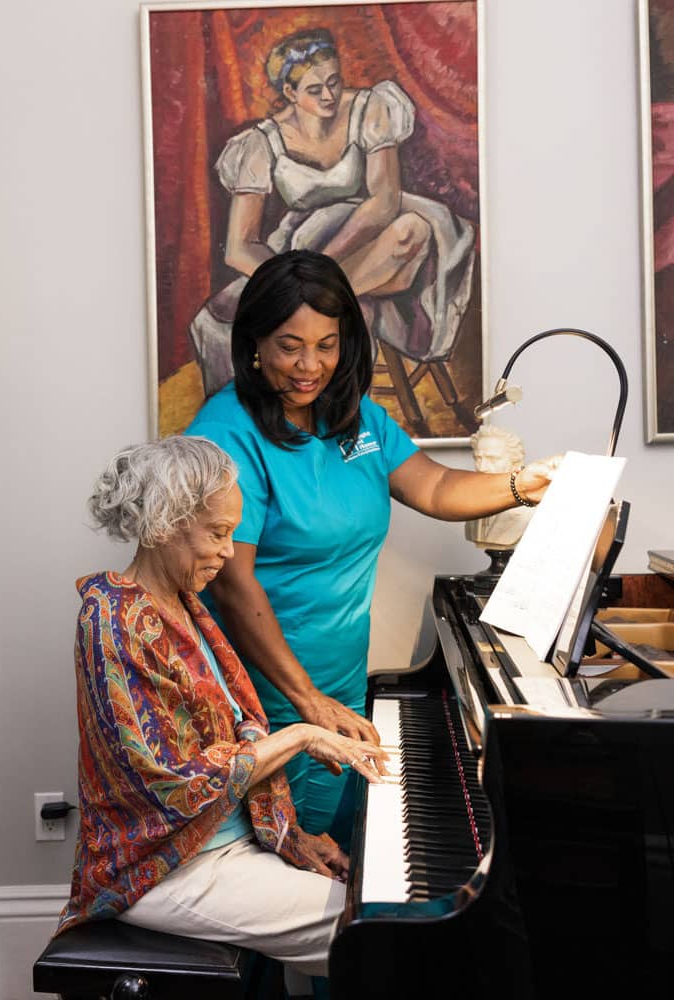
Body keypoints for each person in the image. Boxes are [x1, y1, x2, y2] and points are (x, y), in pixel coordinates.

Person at [187, 249, 559, 848]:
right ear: (254, 341)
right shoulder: (225, 435)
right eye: (289, 346)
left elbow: (434, 485)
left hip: (341, 684)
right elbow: (234, 583)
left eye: (327, 345)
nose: (310, 366)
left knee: (340, 855)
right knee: (294, 863)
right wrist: (306, 701)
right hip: (271, 698)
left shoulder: (355, 418)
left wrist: (522, 486)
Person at [56, 436, 389, 979]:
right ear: (165, 522)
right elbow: (169, 783)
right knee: (379, 938)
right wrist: (303, 735)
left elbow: (229, 740)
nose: (229, 552)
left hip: (225, 848)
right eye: (217, 532)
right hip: (166, 870)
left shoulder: (185, 606)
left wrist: (293, 836)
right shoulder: (112, 620)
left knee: (378, 904)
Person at [189, 26, 475, 399]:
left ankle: (308, 310)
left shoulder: (369, 107)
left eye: (334, 82)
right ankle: (326, 311)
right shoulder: (261, 143)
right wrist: (292, 273)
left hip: (364, 231)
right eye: (314, 89)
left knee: (412, 232)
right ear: (289, 93)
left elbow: (384, 200)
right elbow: (239, 247)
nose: (329, 95)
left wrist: (317, 268)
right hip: (304, 242)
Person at [465, 425, 535, 549]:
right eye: (478, 458)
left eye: (493, 459)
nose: (482, 467)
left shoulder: (528, 512)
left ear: (515, 462)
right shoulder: (471, 507)